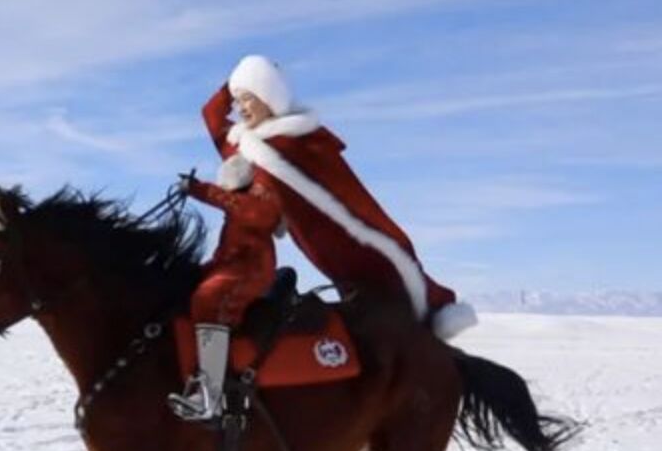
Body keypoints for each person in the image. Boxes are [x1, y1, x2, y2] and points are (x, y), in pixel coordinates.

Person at [200, 55, 476, 340]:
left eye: (248, 98)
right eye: (237, 101)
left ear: (269, 98)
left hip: (342, 238)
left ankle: (428, 324)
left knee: (385, 286)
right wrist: (235, 80)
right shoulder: (248, 144)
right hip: (313, 244)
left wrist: (264, 77)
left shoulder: (299, 143)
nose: (240, 108)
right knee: (357, 297)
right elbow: (211, 114)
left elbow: (352, 198)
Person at [167, 165, 283, 421]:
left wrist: (199, 189)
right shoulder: (238, 210)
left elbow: (241, 206)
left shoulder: (259, 204)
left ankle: (211, 396)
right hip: (234, 268)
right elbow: (225, 255)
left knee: (207, 299)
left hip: (251, 272)